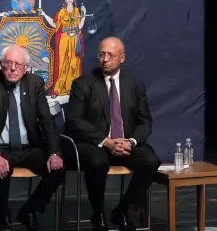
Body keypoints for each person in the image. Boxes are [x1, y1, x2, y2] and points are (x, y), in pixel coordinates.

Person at [66, 37, 160, 231]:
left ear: (122, 58)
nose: (105, 59)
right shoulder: (82, 84)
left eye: (111, 55)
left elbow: (145, 121)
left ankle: (123, 210)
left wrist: (132, 142)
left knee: (151, 161)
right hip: (95, 143)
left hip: (125, 143)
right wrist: (106, 141)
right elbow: (75, 121)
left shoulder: (135, 85)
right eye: (102, 54)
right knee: (98, 162)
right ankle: (98, 212)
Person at [0, 45, 65, 231]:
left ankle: (31, 210)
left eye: (18, 64)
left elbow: (46, 120)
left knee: (58, 169)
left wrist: (54, 153)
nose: (12, 69)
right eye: (8, 63)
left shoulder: (35, 83)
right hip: (1, 147)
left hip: (29, 148)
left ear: (26, 68)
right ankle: (4, 216)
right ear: (1, 65)